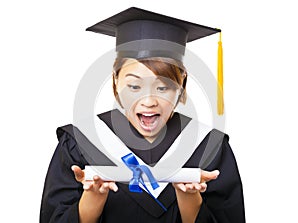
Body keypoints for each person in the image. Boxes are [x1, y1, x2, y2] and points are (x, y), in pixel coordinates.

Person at [40, 7, 245, 223]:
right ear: (116, 80)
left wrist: (190, 202)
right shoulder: (80, 142)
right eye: (134, 86)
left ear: (181, 84)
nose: (148, 101)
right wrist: (92, 200)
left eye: (163, 87)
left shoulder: (208, 147)